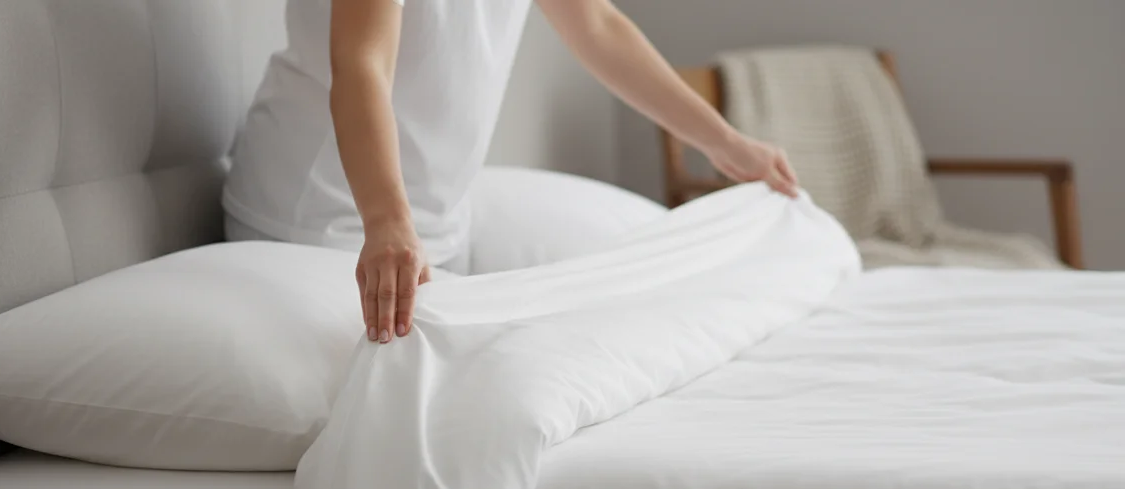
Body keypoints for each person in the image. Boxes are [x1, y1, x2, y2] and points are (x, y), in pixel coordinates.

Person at [224, 0, 798, 345]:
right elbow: (362, 67)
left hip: (423, 229)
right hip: (315, 217)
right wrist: (387, 221)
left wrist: (724, 143)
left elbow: (596, 25)